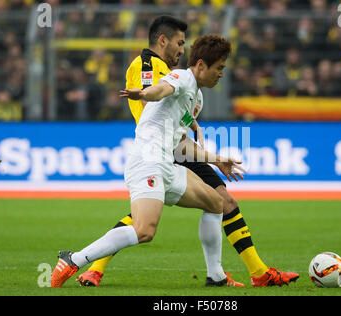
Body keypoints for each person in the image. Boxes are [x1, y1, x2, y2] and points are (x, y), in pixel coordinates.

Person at [77, 15, 299, 288]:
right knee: (157, 215)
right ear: (163, 40)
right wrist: (169, 110)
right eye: (179, 43)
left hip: (174, 144)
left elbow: (173, 103)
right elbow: (155, 98)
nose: (182, 50)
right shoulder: (148, 64)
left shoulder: (187, 82)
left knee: (218, 202)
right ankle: (93, 266)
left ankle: (244, 273)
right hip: (164, 149)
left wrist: (188, 119)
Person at [51, 34, 246, 288]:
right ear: (200, 65)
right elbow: (161, 90)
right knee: (144, 231)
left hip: (166, 163)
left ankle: (216, 276)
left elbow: (181, 143)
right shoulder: (182, 77)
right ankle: (73, 259)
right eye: (218, 68)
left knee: (215, 202)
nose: (221, 74)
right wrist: (144, 92)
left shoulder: (196, 99)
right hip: (147, 161)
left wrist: (216, 160)